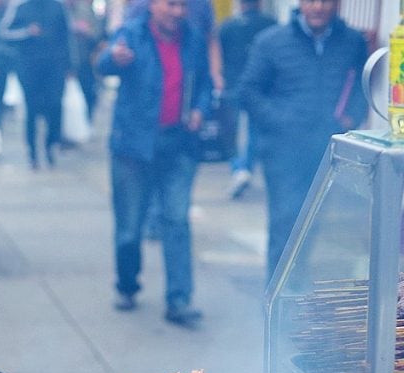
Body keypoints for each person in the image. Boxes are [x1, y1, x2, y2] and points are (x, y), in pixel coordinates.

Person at [97, 0, 212, 327]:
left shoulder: (192, 38)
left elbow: (204, 83)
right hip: (133, 146)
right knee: (130, 227)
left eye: (182, 6)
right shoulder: (132, 33)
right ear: (153, 5)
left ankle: (179, 299)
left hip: (178, 145)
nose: (177, 12)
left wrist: (200, 109)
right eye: (171, 4)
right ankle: (127, 285)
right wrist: (114, 58)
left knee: (176, 220)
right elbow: (104, 63)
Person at [239, 0, 367, 280]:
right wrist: (281, 121)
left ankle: (299, 295)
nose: (318, 7)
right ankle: (277, 305)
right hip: (283, 152)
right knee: (285, 223)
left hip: (328, 149)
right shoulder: (271, 41)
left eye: (326, 1)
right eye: (311, 0)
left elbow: (361, 84)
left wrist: (351, 118)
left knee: (315, 225)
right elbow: (248, 91)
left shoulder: (352, 41)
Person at [0, 0, 72, 168]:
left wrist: (69, 65)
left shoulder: (58, 7)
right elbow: (4, 32)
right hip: (29, 67)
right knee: (32, 110)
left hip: (54, 66)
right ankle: (32, 152)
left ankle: (50, 145)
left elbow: (66, 36)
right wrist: (26, 32)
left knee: (54, 106)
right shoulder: (21, 8)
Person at [218, 0, 276, 199]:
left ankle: (238, 167)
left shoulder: (227, 27)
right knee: (253, 129)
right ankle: (246, 166)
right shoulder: (271, 25)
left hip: (233, 84)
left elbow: (221, 55)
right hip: (261, 87)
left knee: (231, 130)